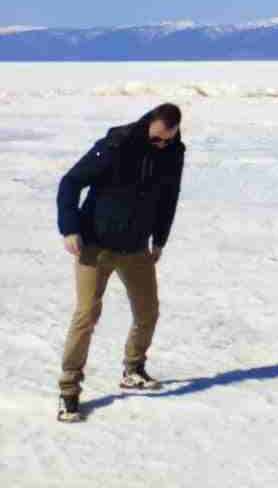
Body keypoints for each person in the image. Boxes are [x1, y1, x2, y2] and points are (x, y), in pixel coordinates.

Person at [54, 103, 186, 423]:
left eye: (168, 140)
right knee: (86, 314)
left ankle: (133, 368)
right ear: (148, 126)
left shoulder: (173, 152)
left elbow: (169, 197)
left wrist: (160, 239)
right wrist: (69, 227)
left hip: (136, 247)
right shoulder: (117, 144)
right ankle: (69, 390)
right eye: (157, 139)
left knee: (148, 311)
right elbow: (70, 182)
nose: (162, 145)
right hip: (95, 246)